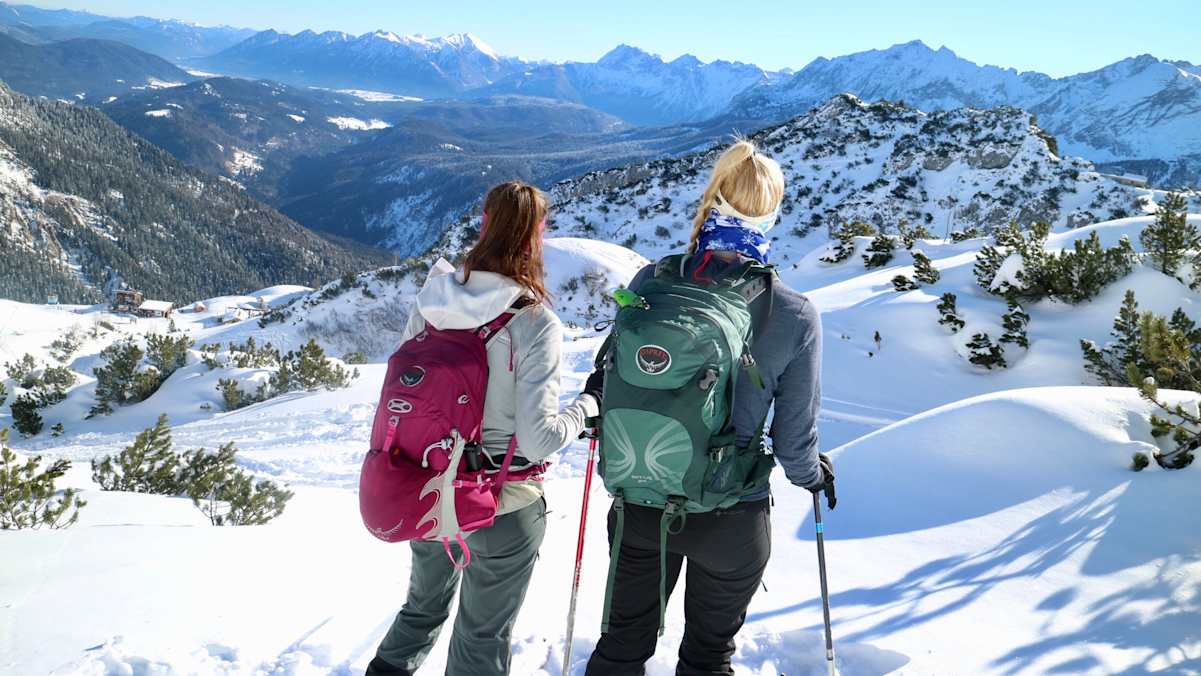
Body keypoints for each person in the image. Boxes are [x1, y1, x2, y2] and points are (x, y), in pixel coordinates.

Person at [584, 140, 835, 676]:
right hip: (730, 514)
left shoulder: (653, 281)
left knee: (622, 647)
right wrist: (814, 476)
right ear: (771, 216)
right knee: (707, 657)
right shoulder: (792, 312)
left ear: (711, 198)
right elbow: (794, 442)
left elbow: (612, 376)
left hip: (641, 499)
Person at [368, 181, 600, 676]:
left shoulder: (431, 303)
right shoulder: (535, 322)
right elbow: (538, 438)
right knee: (481, 637)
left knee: (420, 610)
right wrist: (587, 408)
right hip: (500, 502)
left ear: (485, 224)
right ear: (537, 236)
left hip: (426, 488)